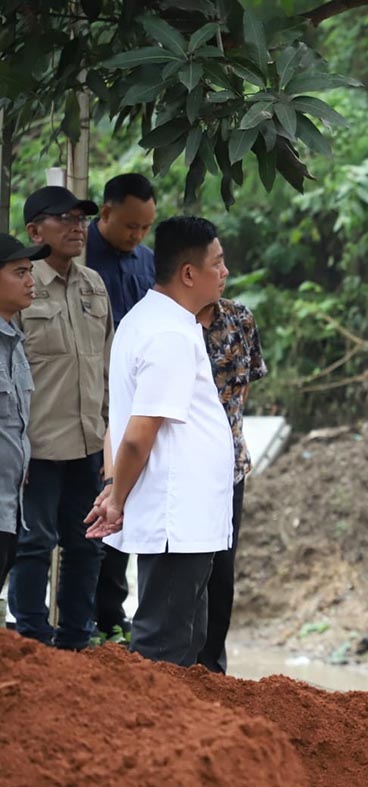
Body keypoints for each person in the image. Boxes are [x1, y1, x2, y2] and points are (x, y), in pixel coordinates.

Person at [84, 216, 233, 667]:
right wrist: (117, 497)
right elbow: (137, 434)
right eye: (218, 262)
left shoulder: (154, 319)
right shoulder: (167, 332)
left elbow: (120, 420)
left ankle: (174, 732)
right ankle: (146, 736)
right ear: (189, 273)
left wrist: (114, 487)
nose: (225, 272)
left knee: (185, 642)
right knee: (163, 649)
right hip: (177, 518)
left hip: (187, 517)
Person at [7, 187, 111, 651]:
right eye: (63, 218)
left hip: (88, 440)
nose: (77, 226)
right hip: (40, 443)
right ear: (35, 230)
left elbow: (106, 365)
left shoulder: (93, 284)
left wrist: (109, 435)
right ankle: (29, 641)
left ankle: (74, 640)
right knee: (33, 544)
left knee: (86, 544)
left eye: (82, 218)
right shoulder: (20, 286)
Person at [87, 173, 157, 639]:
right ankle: (82, 617)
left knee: (125, 503)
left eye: (145, 227)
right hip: (87, 404)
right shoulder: (81, 258)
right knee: (89, 512)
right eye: (130, 225)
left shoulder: (149, 263)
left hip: (134, 405)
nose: (137, 235)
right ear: (106, 213)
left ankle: (112, 616)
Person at [194, 294, 267, 672]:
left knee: (222, 569)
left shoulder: (239, 318)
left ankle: (211, 666)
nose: (221, 272)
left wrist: (229, 435)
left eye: (223, 263)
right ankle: (173, 661)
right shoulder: (169, 321)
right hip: (183, 467)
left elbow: (244, 386)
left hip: (228, 465)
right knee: (181, 566)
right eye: (213, 264)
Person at [0, 234, 48, 595]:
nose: (31, 281)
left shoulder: (14, 340)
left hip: (9, 510)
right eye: (20, 272)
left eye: (30, 271)